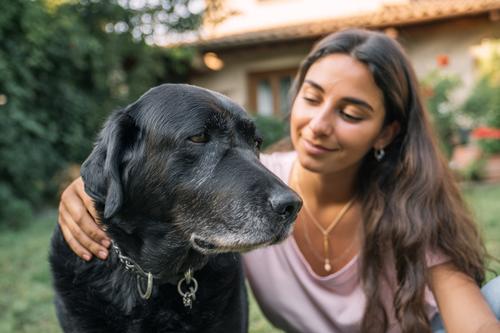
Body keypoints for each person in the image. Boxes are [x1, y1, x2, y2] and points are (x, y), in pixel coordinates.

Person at [58, 29, 500, 332]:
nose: (319, 124)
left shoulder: (411, 201)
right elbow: (161, 173)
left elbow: (476, 323)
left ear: (386, 132)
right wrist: (87, 188)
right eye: (312, 97)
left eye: (350, 113)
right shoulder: (262, 185)